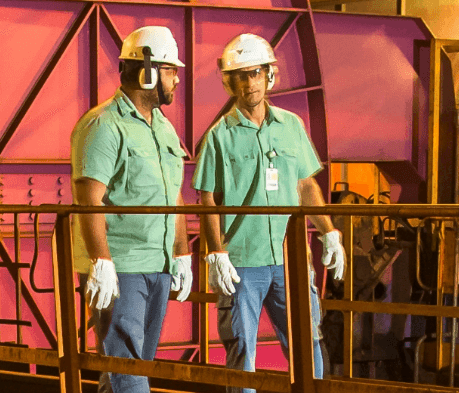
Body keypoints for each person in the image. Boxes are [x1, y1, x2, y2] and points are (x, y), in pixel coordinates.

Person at [191, 33, 347, 392]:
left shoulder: (291, 126)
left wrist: (329, 231)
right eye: (242, 75)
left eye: (256, 73)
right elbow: (208, 199)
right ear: (231, 82)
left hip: (290, 258)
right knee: (241, 350)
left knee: (307, 343)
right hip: (241, 262)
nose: (250, 82)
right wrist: (215, 252)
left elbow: (306, 185)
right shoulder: (219, 136)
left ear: (269, 75)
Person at [70, 25, 194, 393]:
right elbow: (89, 198)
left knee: (129, 368)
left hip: (158, 265)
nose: (176, 80)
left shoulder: (164, 130)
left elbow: (175, 197)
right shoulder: (104, 125)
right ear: (148, 70)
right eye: (171, 71)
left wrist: (182, 253)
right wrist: (101, 261)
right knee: (127, 370)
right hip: (122, 267)